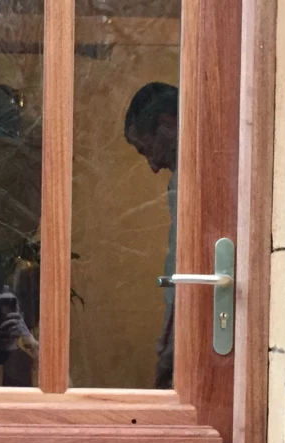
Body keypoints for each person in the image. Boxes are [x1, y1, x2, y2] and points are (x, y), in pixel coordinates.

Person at [124, 82, 179, 389]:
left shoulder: (193, 178)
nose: (153, 166)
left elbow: (183, 274)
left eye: (145, 150)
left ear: (166, 124)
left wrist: (168, 353)